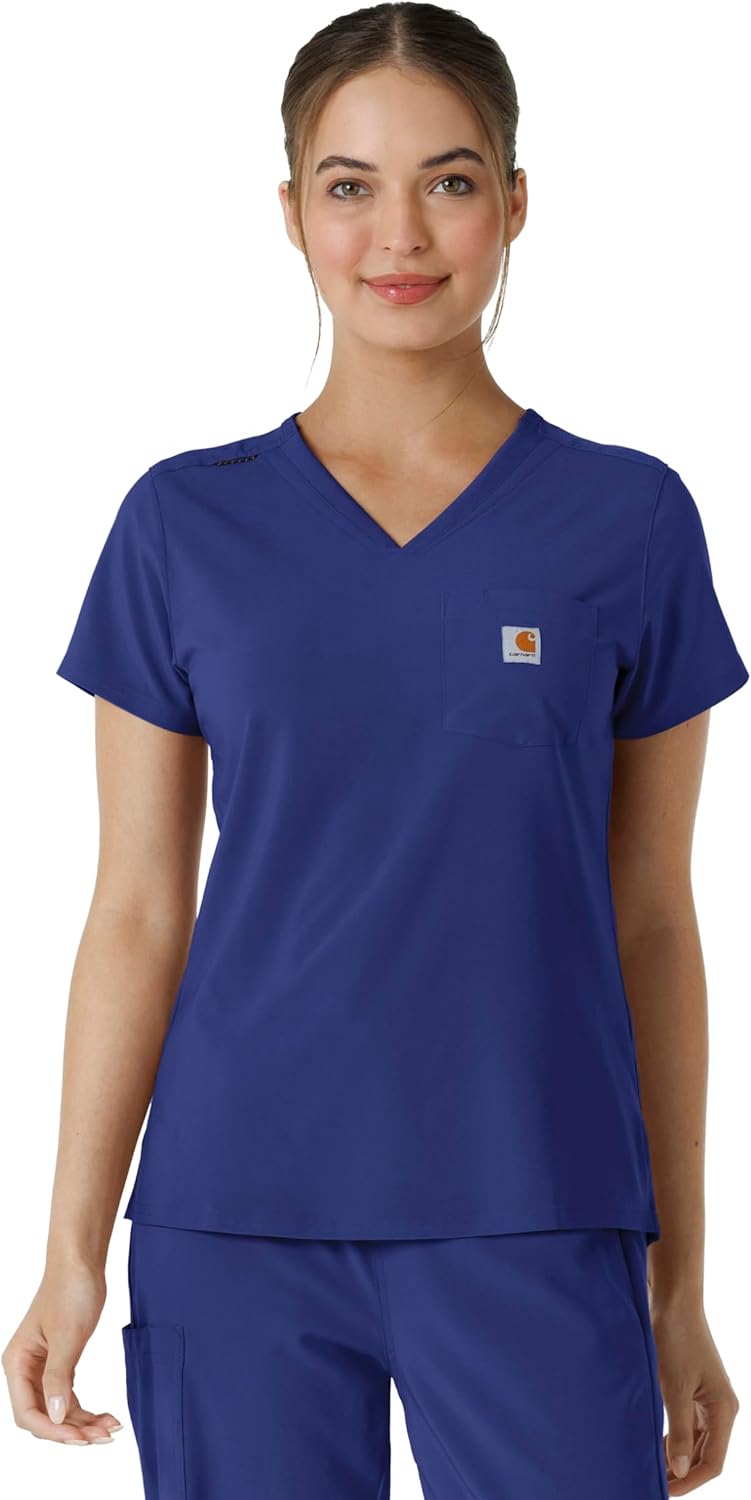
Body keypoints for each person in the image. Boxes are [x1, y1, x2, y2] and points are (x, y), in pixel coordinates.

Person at [2, 5, 747, 1497]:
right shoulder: (183, 525)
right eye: (350, 185)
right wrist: (70, 1249)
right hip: (235, 1214)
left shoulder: (629, 519)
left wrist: (680, 1285)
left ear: (515, 202)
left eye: (449, 181)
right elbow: (137, 910)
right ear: (292, 211)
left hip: (539, 1205)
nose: (399, 234)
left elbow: (654, 922)